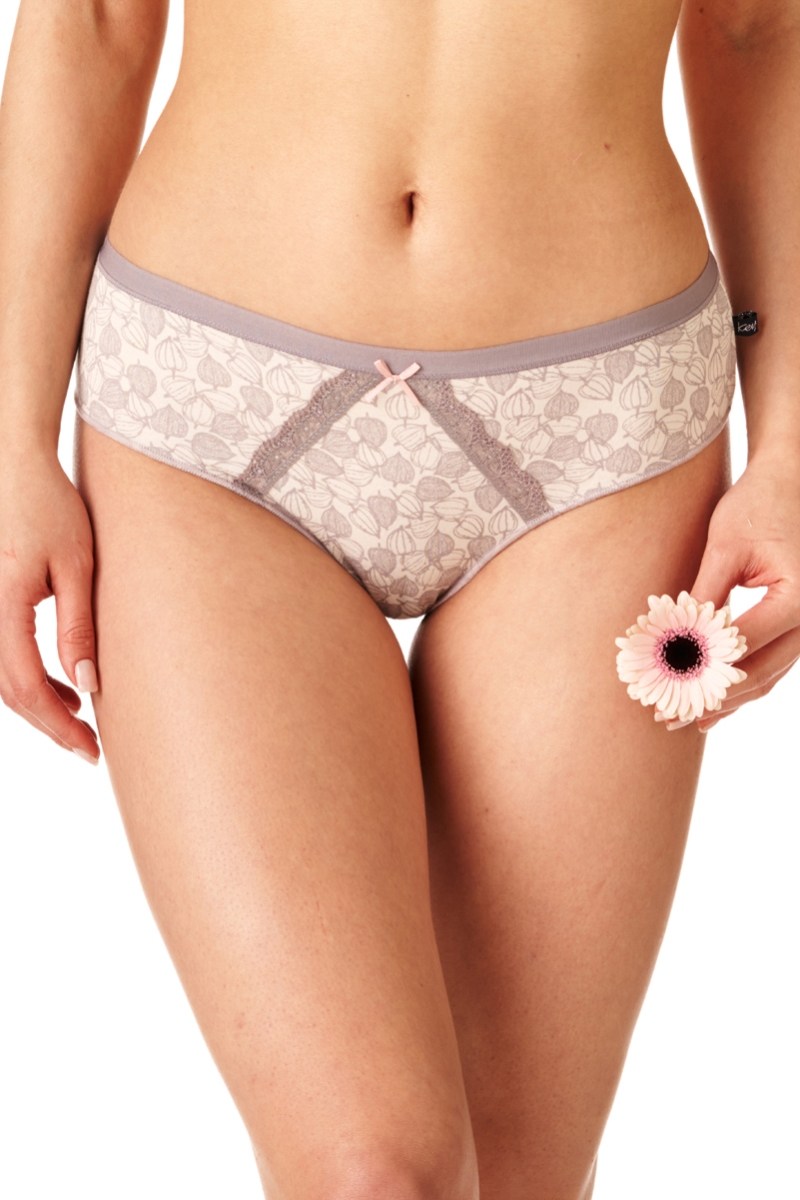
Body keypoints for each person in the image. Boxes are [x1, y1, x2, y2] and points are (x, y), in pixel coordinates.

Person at [1, 1, 798, 1197]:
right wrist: (9, 441)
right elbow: (97, 19)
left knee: (522, 1178)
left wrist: (791, 445)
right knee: (370, 1171)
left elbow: (754, 31)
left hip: (602, 425)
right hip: (207, 406)